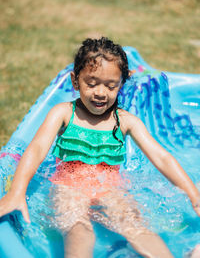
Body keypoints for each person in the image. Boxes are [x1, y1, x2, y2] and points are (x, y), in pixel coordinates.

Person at [0, 37, 200, 258]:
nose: (100, 92)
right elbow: (37, 149)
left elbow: (162, 158)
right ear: (75, 81)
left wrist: (194, 195)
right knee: (78, 229)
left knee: (135, 226)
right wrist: (17, 192)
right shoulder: (64, 113)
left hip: (110, 189)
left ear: (122, 84)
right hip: (69, 187)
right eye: (92, 83)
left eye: (111, 85)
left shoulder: (126, 121)